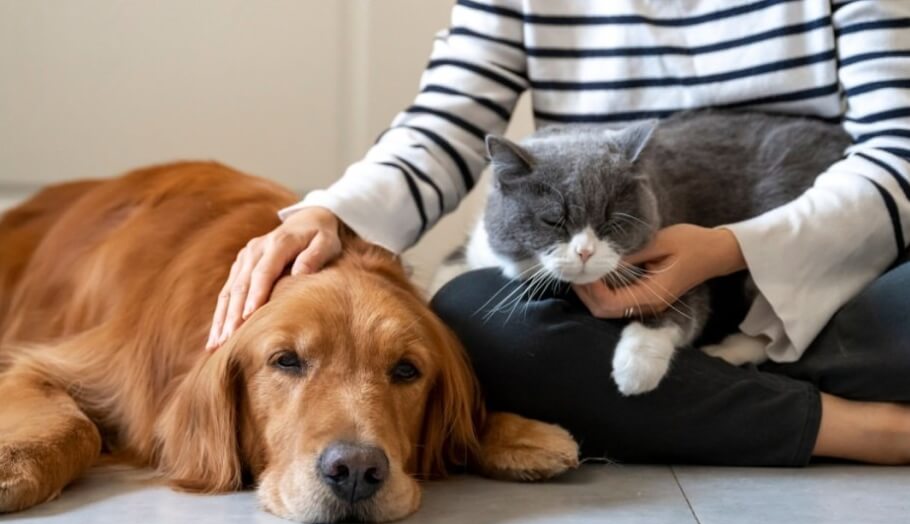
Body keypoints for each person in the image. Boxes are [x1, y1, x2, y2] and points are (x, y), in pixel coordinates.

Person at [207, 0, 910, 465]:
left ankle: (693, 401)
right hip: (604, 281)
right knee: (472, 320)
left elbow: (899, 149)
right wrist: (326, 214)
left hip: (834, 253)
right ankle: (856, 426)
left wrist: (731, 248)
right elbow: (444, 124)